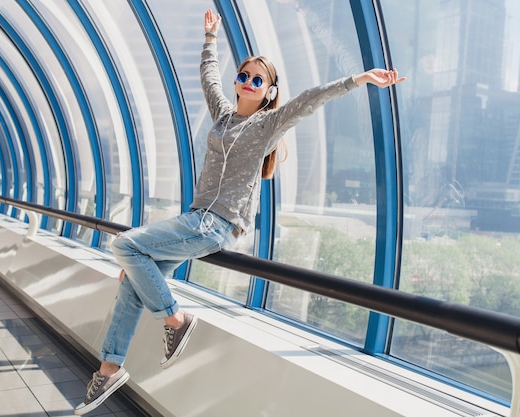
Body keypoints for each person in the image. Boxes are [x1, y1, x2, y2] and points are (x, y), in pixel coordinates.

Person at [75, 8, 406, 415]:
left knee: (126, 245)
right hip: (195, 218)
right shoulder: (224, 116)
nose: (247, 82)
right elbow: (208, 78)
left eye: (257, 79)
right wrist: (210, 39)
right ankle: (109, 370)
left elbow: (310, 100)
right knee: (130, 280)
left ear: (268, 91)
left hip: (218, 224)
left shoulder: (269, 125)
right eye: (244, 76)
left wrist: (359, 79)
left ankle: (176, 321)